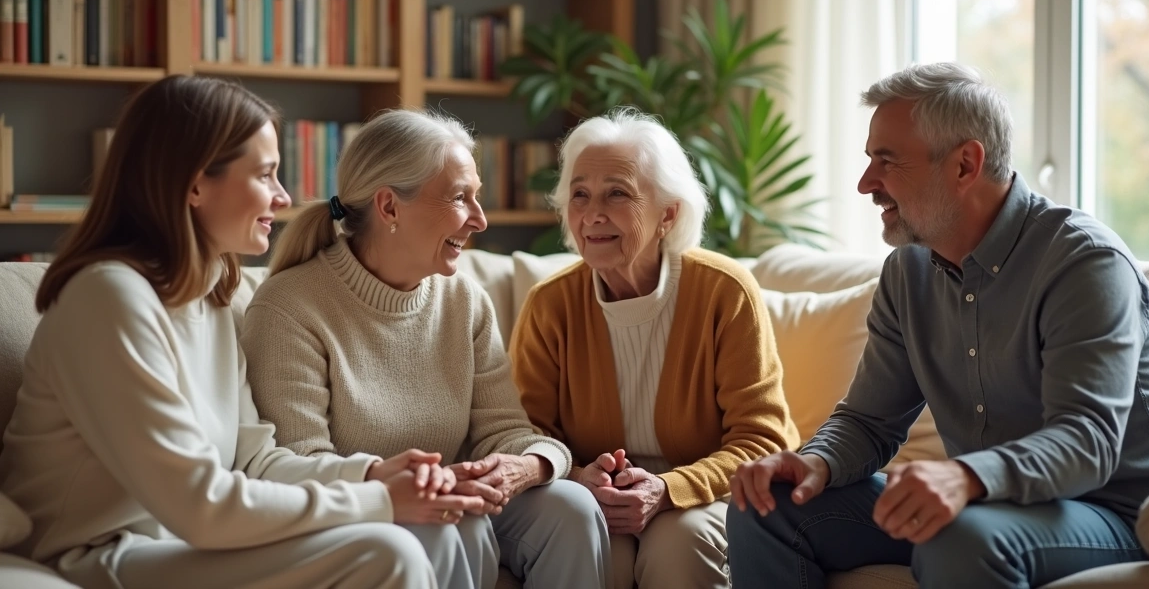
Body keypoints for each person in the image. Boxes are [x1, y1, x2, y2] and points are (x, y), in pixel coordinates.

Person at [0, 75, 487, 589]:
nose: (282, 197)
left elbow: (254, 460)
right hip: (93, 555)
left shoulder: (210, 300)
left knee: (413, 534)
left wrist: (372, 474)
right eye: (266, 175)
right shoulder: (109, 300)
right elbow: (199, 503)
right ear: (193, 184)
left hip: (174, 545)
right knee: (386, 551)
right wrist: (380, 501)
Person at [725, 62, 1149, 588]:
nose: (865, 184)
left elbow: (1087, 442)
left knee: (960, 536)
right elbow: (868, 422)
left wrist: (965, 476)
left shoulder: (1084, 263)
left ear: (966, 164)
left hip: (1111, 513)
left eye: (887, 160)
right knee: (766, 505)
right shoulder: (908, 272)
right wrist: (815, 464)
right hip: (980, 504)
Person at [240, 108, 612, 589]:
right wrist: (419, 488)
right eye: (460, 198)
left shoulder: (465, 301)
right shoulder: (290, 308)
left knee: (572, 507)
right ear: (390, 207)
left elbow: (504, 429)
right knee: (452, 523)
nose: (479, 219)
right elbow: (298, 465)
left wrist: (531, 464)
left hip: (449, 500)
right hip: (355, 515)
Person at [510, 108, 801, 589]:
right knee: (600, 548)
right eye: (579, 195)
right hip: (597, 499)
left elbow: (763, 440)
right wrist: (581, 478)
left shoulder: (724, 292)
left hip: (707, 495)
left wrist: (669, 489)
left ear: (668, 214)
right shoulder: (551, 304)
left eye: (617, 194)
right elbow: (527, 432)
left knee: (678, 544)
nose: (593, 214)